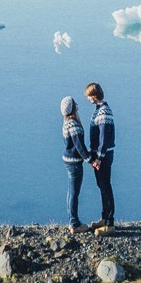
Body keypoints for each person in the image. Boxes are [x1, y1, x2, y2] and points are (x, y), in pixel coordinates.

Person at [84, 82, 115, 231]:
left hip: (103, 156)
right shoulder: (99, 110)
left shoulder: (103, 112)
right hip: (99, 155)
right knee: (102, 186)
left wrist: (99, 158)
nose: (88, 99)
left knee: (105, 186)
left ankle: (109, 222)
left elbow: (104, 138)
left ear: (94, 96)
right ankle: (104, 218)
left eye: (89, 96)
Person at [60, 96, 90, 233]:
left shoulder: (66, 123)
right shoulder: (74, 125)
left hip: (67, 160)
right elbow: (79, 146)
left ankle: (72, 220)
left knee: (71, 192)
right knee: (74, 193)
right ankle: (74, 224)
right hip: (74, 163)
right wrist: (90, 159)